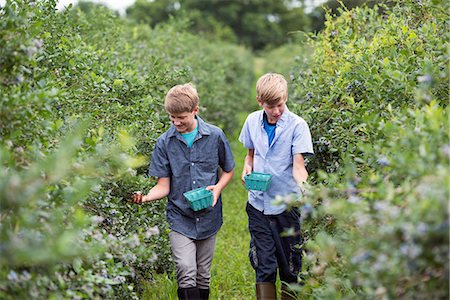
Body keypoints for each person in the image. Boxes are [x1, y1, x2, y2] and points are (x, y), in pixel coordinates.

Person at [131, 83, 235, 300]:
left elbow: (228, 170)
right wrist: (146, 197)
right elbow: (163, 186)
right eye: (172, 118)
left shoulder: (215, 136)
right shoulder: (164, 143)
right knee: (186, 269)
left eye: (182, 117)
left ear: (195, 111)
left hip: (209, 216)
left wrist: (218, 188)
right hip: (180, 217)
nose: (176, 122)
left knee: (203, 275)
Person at [239, 73, 314, 300]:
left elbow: (298, 167)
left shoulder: (297, 126)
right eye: (271, 106)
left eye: (280, 105)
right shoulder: (252, 121)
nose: (276, 111)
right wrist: (247, 168)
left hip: (287, 205)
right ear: (260, 101)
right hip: (258, 204)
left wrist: (306, 191)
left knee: (291, 266)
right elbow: (250, 155)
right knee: (264, 265)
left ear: (285, 98)